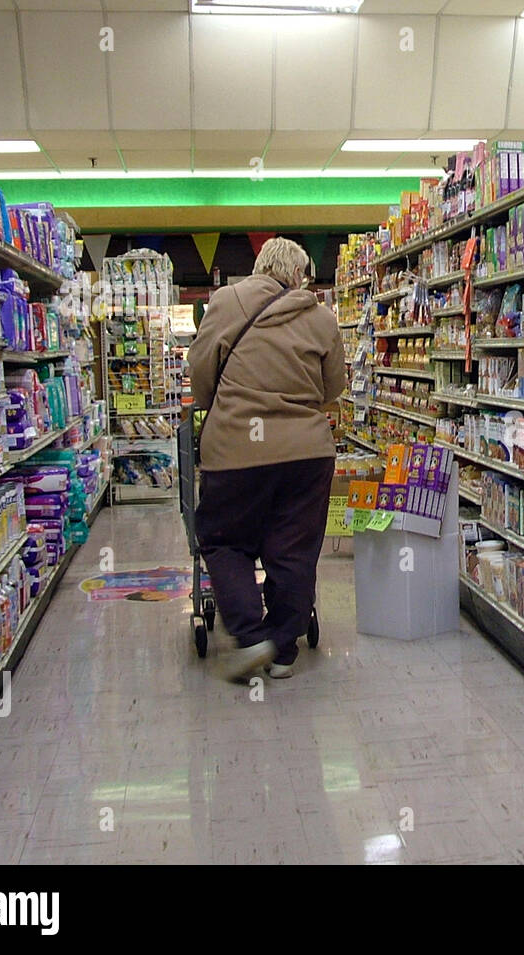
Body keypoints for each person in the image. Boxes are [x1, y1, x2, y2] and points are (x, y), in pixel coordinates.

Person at [188, 238, 345, 681]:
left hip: (236, 451)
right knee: (293, 549)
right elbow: (333, 390)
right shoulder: (321, 318)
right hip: (307, 455)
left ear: (259, 266)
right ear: (299, 276)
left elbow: (201, 381)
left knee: (225, 540)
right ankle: (283, 650)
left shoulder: (225, 302)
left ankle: (249, 635)